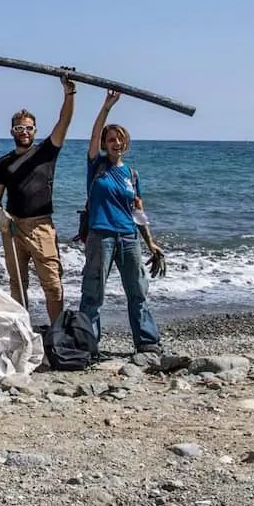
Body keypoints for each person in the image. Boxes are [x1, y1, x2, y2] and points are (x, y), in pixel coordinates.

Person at [78, 90, 164, 354]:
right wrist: (106, 107)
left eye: (120, 139)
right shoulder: (97, 165)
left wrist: (150, 242)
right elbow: (93, 134)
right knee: (94, 293)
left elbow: (138, 210)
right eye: (111, 139)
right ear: (105, 143)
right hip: (101, 236)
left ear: (126, 143)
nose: (116, 143)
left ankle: (147, 341)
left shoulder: (132, 174)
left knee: (138, 291)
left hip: (128, 237)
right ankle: (88, 343)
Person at [0, 75, 76, 323]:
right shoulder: (4, 163)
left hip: (41, 227)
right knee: (17, 284)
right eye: (19, 128)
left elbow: (65, 120)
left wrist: (69, 94)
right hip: (13, 227)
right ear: (12, 131)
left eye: (28, 128)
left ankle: (56, 332)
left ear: (35, 130)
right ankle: (23, 332)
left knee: (53, 284)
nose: (24, 132)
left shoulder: (46, 151)